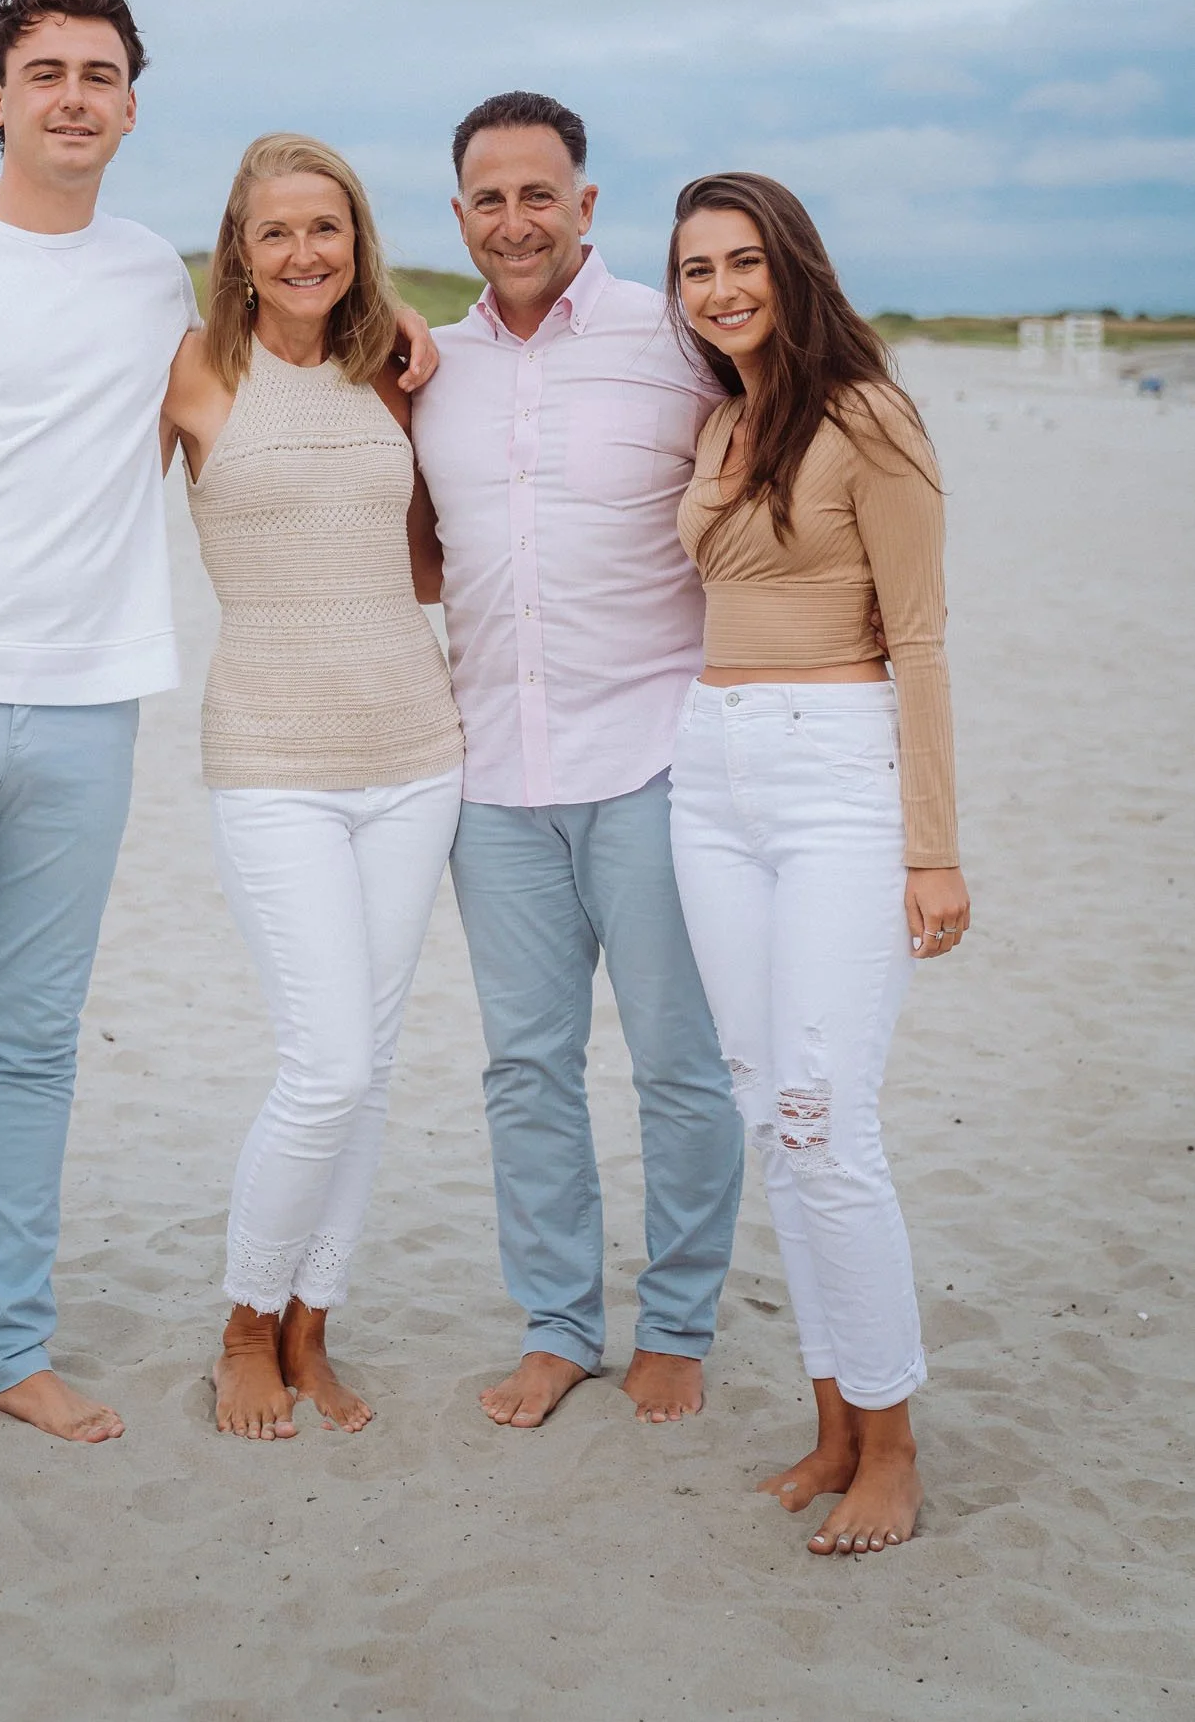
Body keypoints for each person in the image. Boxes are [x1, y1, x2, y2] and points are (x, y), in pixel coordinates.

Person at [0, 0, 437, 1490]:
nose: (74, 97)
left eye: (101, 75)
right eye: (45, 72)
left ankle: (9, 1354)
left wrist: (416, 339)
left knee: (34, 1047)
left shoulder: (153, 287)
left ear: (132, 108)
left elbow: (298, 352)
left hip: (86, 716)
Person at [410, 93, 744, 1431]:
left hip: (654, 757)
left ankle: (675, 1325)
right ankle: (556, 1326)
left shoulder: (678, 344)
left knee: (676, 1062)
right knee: (525, 1069)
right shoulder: (423, 365)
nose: (513, 221)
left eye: (537, 194)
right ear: (457, 218)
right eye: (487, 199)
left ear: (586, 205)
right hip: (489, 781)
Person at [664, 171, 970, 1558]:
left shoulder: (868, 415)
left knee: (824, 1118)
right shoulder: (724, 419)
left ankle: (892, 1449)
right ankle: (833, 1424)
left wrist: (933, 851)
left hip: (835, 774)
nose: (718, 289)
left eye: (742, 262)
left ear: (791, 266)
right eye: (692, 271)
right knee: (760, 1106)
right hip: (709, 767)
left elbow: (920, 638)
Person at [163, 134, 464, 1441]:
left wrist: (410, 333)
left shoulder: (390, 372)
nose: (302, 253)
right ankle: (241, 1321)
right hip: (272, 760)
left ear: (358, 243)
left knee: (374, 1060)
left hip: (413, 752)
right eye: (275, 232)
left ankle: (309, 1328)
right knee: (326, 1061)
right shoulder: (193, 369)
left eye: (325, 230)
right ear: (238, 246)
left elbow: (428, 562)